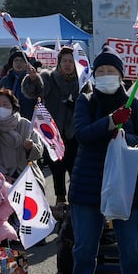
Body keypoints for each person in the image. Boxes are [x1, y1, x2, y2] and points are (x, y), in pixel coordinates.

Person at [67, 51, 138, 274]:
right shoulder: (86, 100)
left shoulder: (133, 103)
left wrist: (125, 137)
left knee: (130, 246)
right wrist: (110, 122)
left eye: (111, 71)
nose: (106, 76)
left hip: (125, 183)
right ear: (94, 74)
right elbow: (81, 134)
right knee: (84, 246)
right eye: (100, 71)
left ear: (121, 74)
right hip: (88, 182)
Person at [40, 47, 82, 204]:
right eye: (64, 61)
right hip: (53, 132)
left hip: (74, 131)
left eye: (71, 61)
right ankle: (60, 199)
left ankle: (75, 200)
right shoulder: (48, 77)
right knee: (56, 167)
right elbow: (34, 89)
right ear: (59, 62)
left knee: (74, 167)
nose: (67, 64)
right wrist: (32, 78)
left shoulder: (82, 80)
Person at [0, 87, 41, 181]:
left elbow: (38, 153)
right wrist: (3, 177)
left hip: (27, 175)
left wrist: (30, 148)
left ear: (13, 106)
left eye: (5, 104)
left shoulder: (26, 125)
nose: (1, 108)